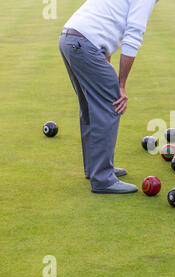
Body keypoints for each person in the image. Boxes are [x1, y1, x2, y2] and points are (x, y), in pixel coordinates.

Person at [58, 0, 158, 193]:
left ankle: (96, 169)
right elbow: (133, 35)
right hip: (83, 44)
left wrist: (109, 71)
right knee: (111, 104)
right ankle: (103, 179)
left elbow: (105, 35)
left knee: (89, 107)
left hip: (69, 39)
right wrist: (120, 84)